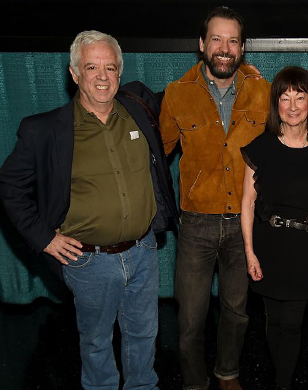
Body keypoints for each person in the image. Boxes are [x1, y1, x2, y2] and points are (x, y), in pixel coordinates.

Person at [0, 30, 177, 390]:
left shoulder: (139, 113)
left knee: (144, 335)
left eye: (110, 68)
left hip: (144, 251)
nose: (102, 76)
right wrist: (43, 237)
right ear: (74, 73)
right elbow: (9, 185)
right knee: (96, 343)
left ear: (119, 73)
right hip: (90, 262)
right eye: (91, 66)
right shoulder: (45, 131)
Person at [159, 6, 271, 390]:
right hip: (195, 224)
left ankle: (228, 374)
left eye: (233, 41)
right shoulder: (176, 95)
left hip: (244, 224)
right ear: (202, 44)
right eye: (217, 39)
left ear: (243, 48)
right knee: (190, 316)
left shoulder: (263, 91)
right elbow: (158, 155)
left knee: (236, 311)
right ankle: (193, 381)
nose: (225, 48)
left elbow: (291, 137)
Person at [240, 66, 308, 390]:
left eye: (300, 97)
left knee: (293, 323)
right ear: (275, 103)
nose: (292, 106)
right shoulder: (261, 148)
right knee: (273, 321)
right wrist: (250, 253)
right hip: (269, 246)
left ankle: (282, 385)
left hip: (304, 250)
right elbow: (247, 204)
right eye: (285, 97)